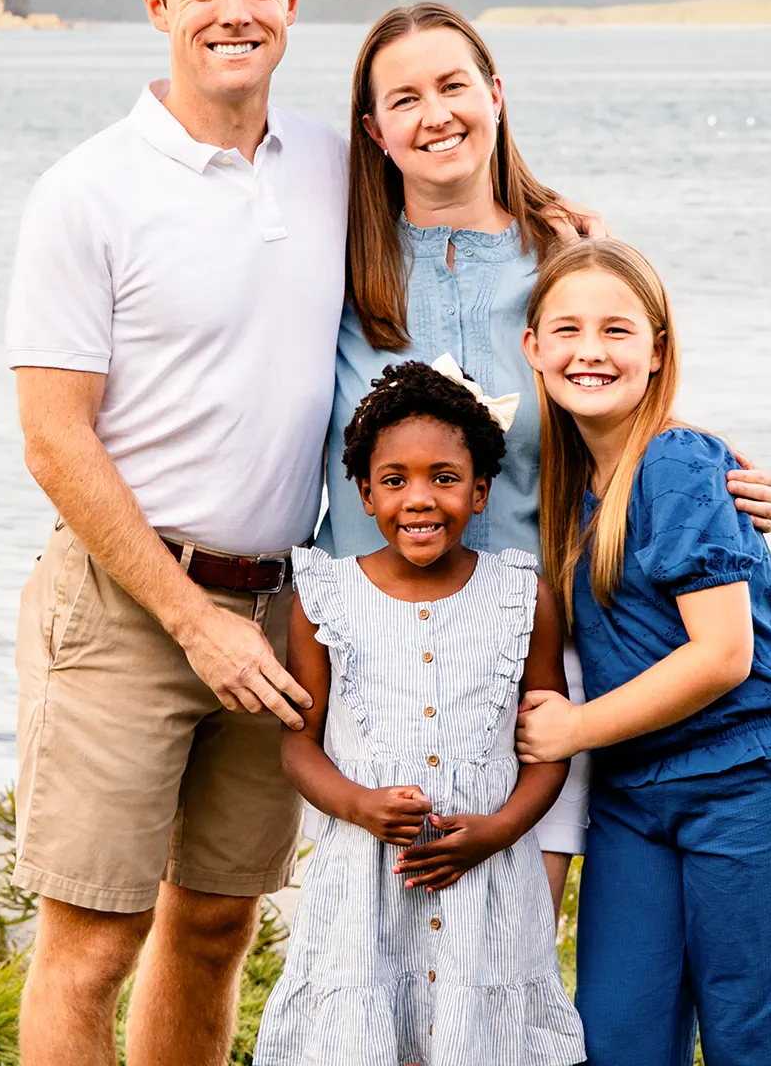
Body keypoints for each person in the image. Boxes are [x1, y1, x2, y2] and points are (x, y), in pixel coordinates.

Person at [318, 3, 771, 913]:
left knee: (511, 951)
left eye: (454, 85)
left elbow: (608, 387)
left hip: (533, 661)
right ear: (374, 132)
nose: (435, 113)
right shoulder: (333, 270)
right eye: (404, 99)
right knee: (374, 958)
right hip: (373, 659)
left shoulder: (561, 254)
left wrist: (708, 466)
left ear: (495, 95)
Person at [3, 0, 343, 1066]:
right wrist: (191, 619)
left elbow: (486, 237)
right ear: (158, 3)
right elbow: (54, 438)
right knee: (89, 946)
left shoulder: (338, 167)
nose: (234, 7)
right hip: (128, 608)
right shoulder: (87, 194)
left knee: (213, 927)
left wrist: (685, 450)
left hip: (281, 607)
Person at [513, 239, 771, 1066]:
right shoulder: (564, 482)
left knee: (757, 1044)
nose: (591, 351)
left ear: (658, 351)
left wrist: (572, 729)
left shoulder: (679, 461)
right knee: (617, 1039)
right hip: (634, 797)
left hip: (751, 782)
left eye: (618, 331)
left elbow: (724, 655)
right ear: (534, 348)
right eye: (569, 330)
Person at [256, 361, 585, 1066]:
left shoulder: (524, 595)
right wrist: (359, 803)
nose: (420, 498)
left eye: (444, 477)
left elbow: (548, 747)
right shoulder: (324, 598)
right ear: (366, 494)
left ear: (481, 490)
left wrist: (496, 829)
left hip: (486, 878)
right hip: (364, 882)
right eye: (396, 481)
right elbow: (299, 746)